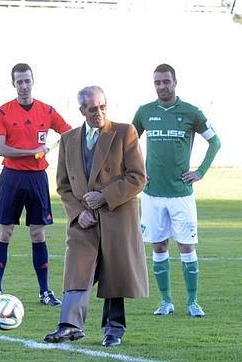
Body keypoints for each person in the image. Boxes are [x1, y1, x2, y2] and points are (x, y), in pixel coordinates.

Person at [43, 86, 148, 347]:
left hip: (117, 217)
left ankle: (113, 329)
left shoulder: (125, 132)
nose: (99, 113)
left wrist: (103, 196)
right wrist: (79, 214)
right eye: (93, 109)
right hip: (84, 222)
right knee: (76, 269)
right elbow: (64, 186)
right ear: (82, 111)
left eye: (103, 107)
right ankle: (70, 325)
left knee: (115, 273)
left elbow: (137, 178)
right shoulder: (67, 139)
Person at [132, 63, 221, 318]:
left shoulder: (191, 113)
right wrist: (138, 170)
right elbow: (128, 143)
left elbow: (215, 142)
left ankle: (193, 302)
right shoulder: (145, 112)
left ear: (175, 82)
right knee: (159, 247)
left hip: (181, 194)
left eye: (165, 82)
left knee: (186, 247)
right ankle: (165, 301)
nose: (162, 86)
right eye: (157, 82)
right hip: (152, 194)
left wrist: (200, 171)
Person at [0, 63, 71, 306]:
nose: (24, 86)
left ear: (33, 81)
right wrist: (32, 151)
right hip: (12, 177)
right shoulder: (3, 112)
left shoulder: (47, 111)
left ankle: (45, 291)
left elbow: (68, 133)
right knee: (5, 232)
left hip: (37, 179)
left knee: (38, 233)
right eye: (19, 82)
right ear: (13, 83)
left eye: (27, 81)